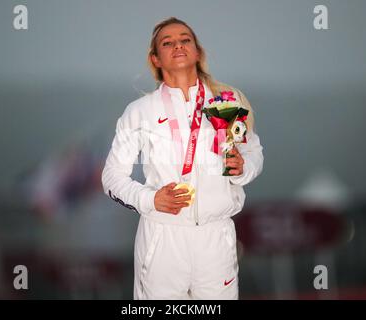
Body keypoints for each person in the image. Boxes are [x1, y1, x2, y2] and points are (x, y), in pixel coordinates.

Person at [101, 17, 263, 300]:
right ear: (156, 59)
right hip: (163, 236)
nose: (178, 45)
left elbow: (253, 153)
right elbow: (112, 177)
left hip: (216, 237)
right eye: (168, 42)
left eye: (185, 39)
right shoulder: (140, 111)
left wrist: (243, 167)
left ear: (197, 51)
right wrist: (150, 199)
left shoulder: (227, 101)